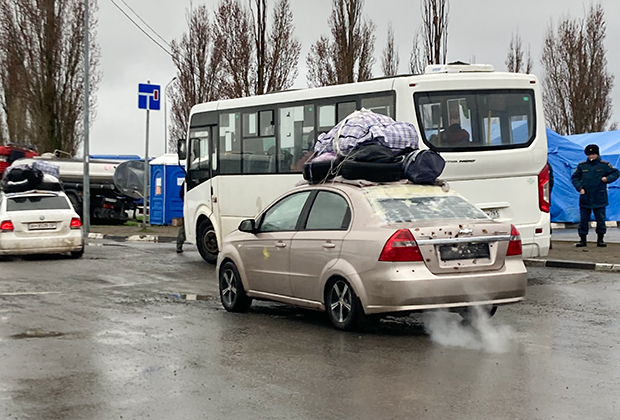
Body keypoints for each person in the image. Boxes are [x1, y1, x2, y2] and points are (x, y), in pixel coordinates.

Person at [571, 144, 619, 247]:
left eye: (593, 154)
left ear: (597, 154)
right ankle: (583, 240)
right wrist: (580, 188)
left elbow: (616, 173)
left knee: (600, 219)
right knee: (584, 220)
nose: (591, 157)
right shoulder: (582, 166)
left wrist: (607, 179)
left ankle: (600, 239)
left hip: (599, 196)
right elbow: (575, 178)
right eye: (589, 155)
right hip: (586, 197)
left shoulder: (604, 165)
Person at [176, 181, 186, 253]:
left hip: (188, 204)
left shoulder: (186, 181)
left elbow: (181, 194)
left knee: (184, 227)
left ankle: (179, 246)